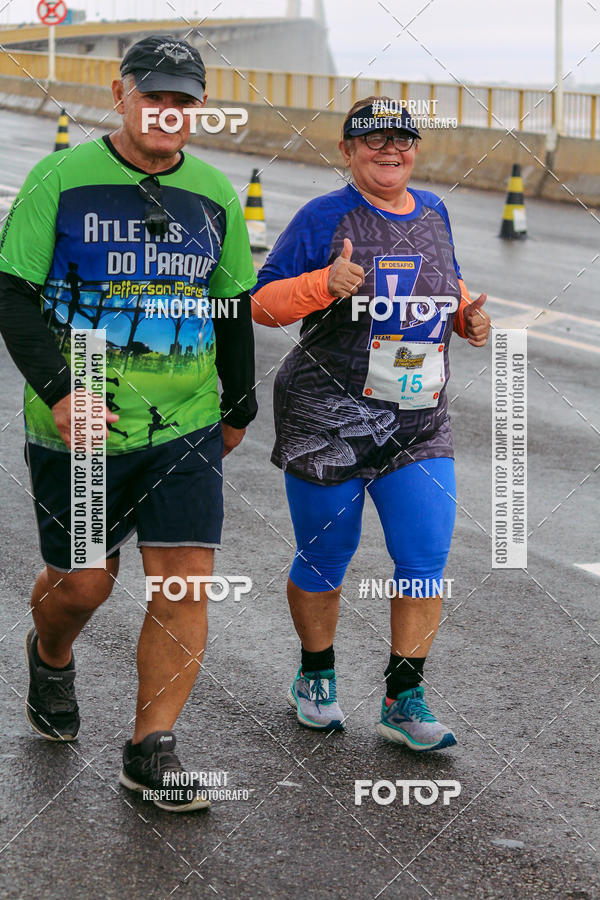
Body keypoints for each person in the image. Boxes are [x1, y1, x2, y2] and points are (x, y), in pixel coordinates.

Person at [0, 35, 257, 810]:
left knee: (182, 585)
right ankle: (51, 653)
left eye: (183, 101)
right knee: (84, 584)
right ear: (120, 95)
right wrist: (60, 392)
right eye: (153, 96)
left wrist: (239, 405)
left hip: (185, 425)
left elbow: (232, 303)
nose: (167, 112)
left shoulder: (214, 193)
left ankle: (152, 749)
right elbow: (11, 292)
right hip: (81, 427)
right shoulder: (60, 178)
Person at [252, 97, 490, 751]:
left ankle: (403, 698)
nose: (390, 150)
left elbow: (447, 285)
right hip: (326, 417)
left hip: (418, 421)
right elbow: (262, 304)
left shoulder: (434, 211)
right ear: (348, 150)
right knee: (327, 555)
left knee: (424, 559)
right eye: (374, 139)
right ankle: (315, 674)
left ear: (415, 149)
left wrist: (466, 316)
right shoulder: (324, 217)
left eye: (402, 139)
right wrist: (322, 284)